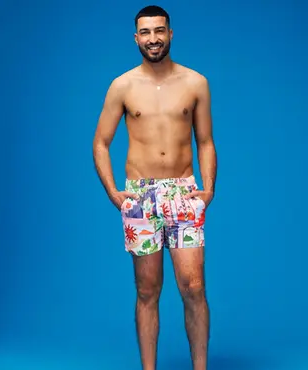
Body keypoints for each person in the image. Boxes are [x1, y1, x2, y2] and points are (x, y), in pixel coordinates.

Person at [92, 5, 216, 370]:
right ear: (136, 38)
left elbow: (205, 141)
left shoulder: (196, 83)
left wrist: (207, 190)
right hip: (140, 195)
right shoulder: (122, 86)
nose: (153, 39)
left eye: (159, 31)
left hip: (183, 192)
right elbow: (100, 142)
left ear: (171, 33)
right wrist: (114, 192)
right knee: (147, 291)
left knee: (193, 288)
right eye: (145, 33)